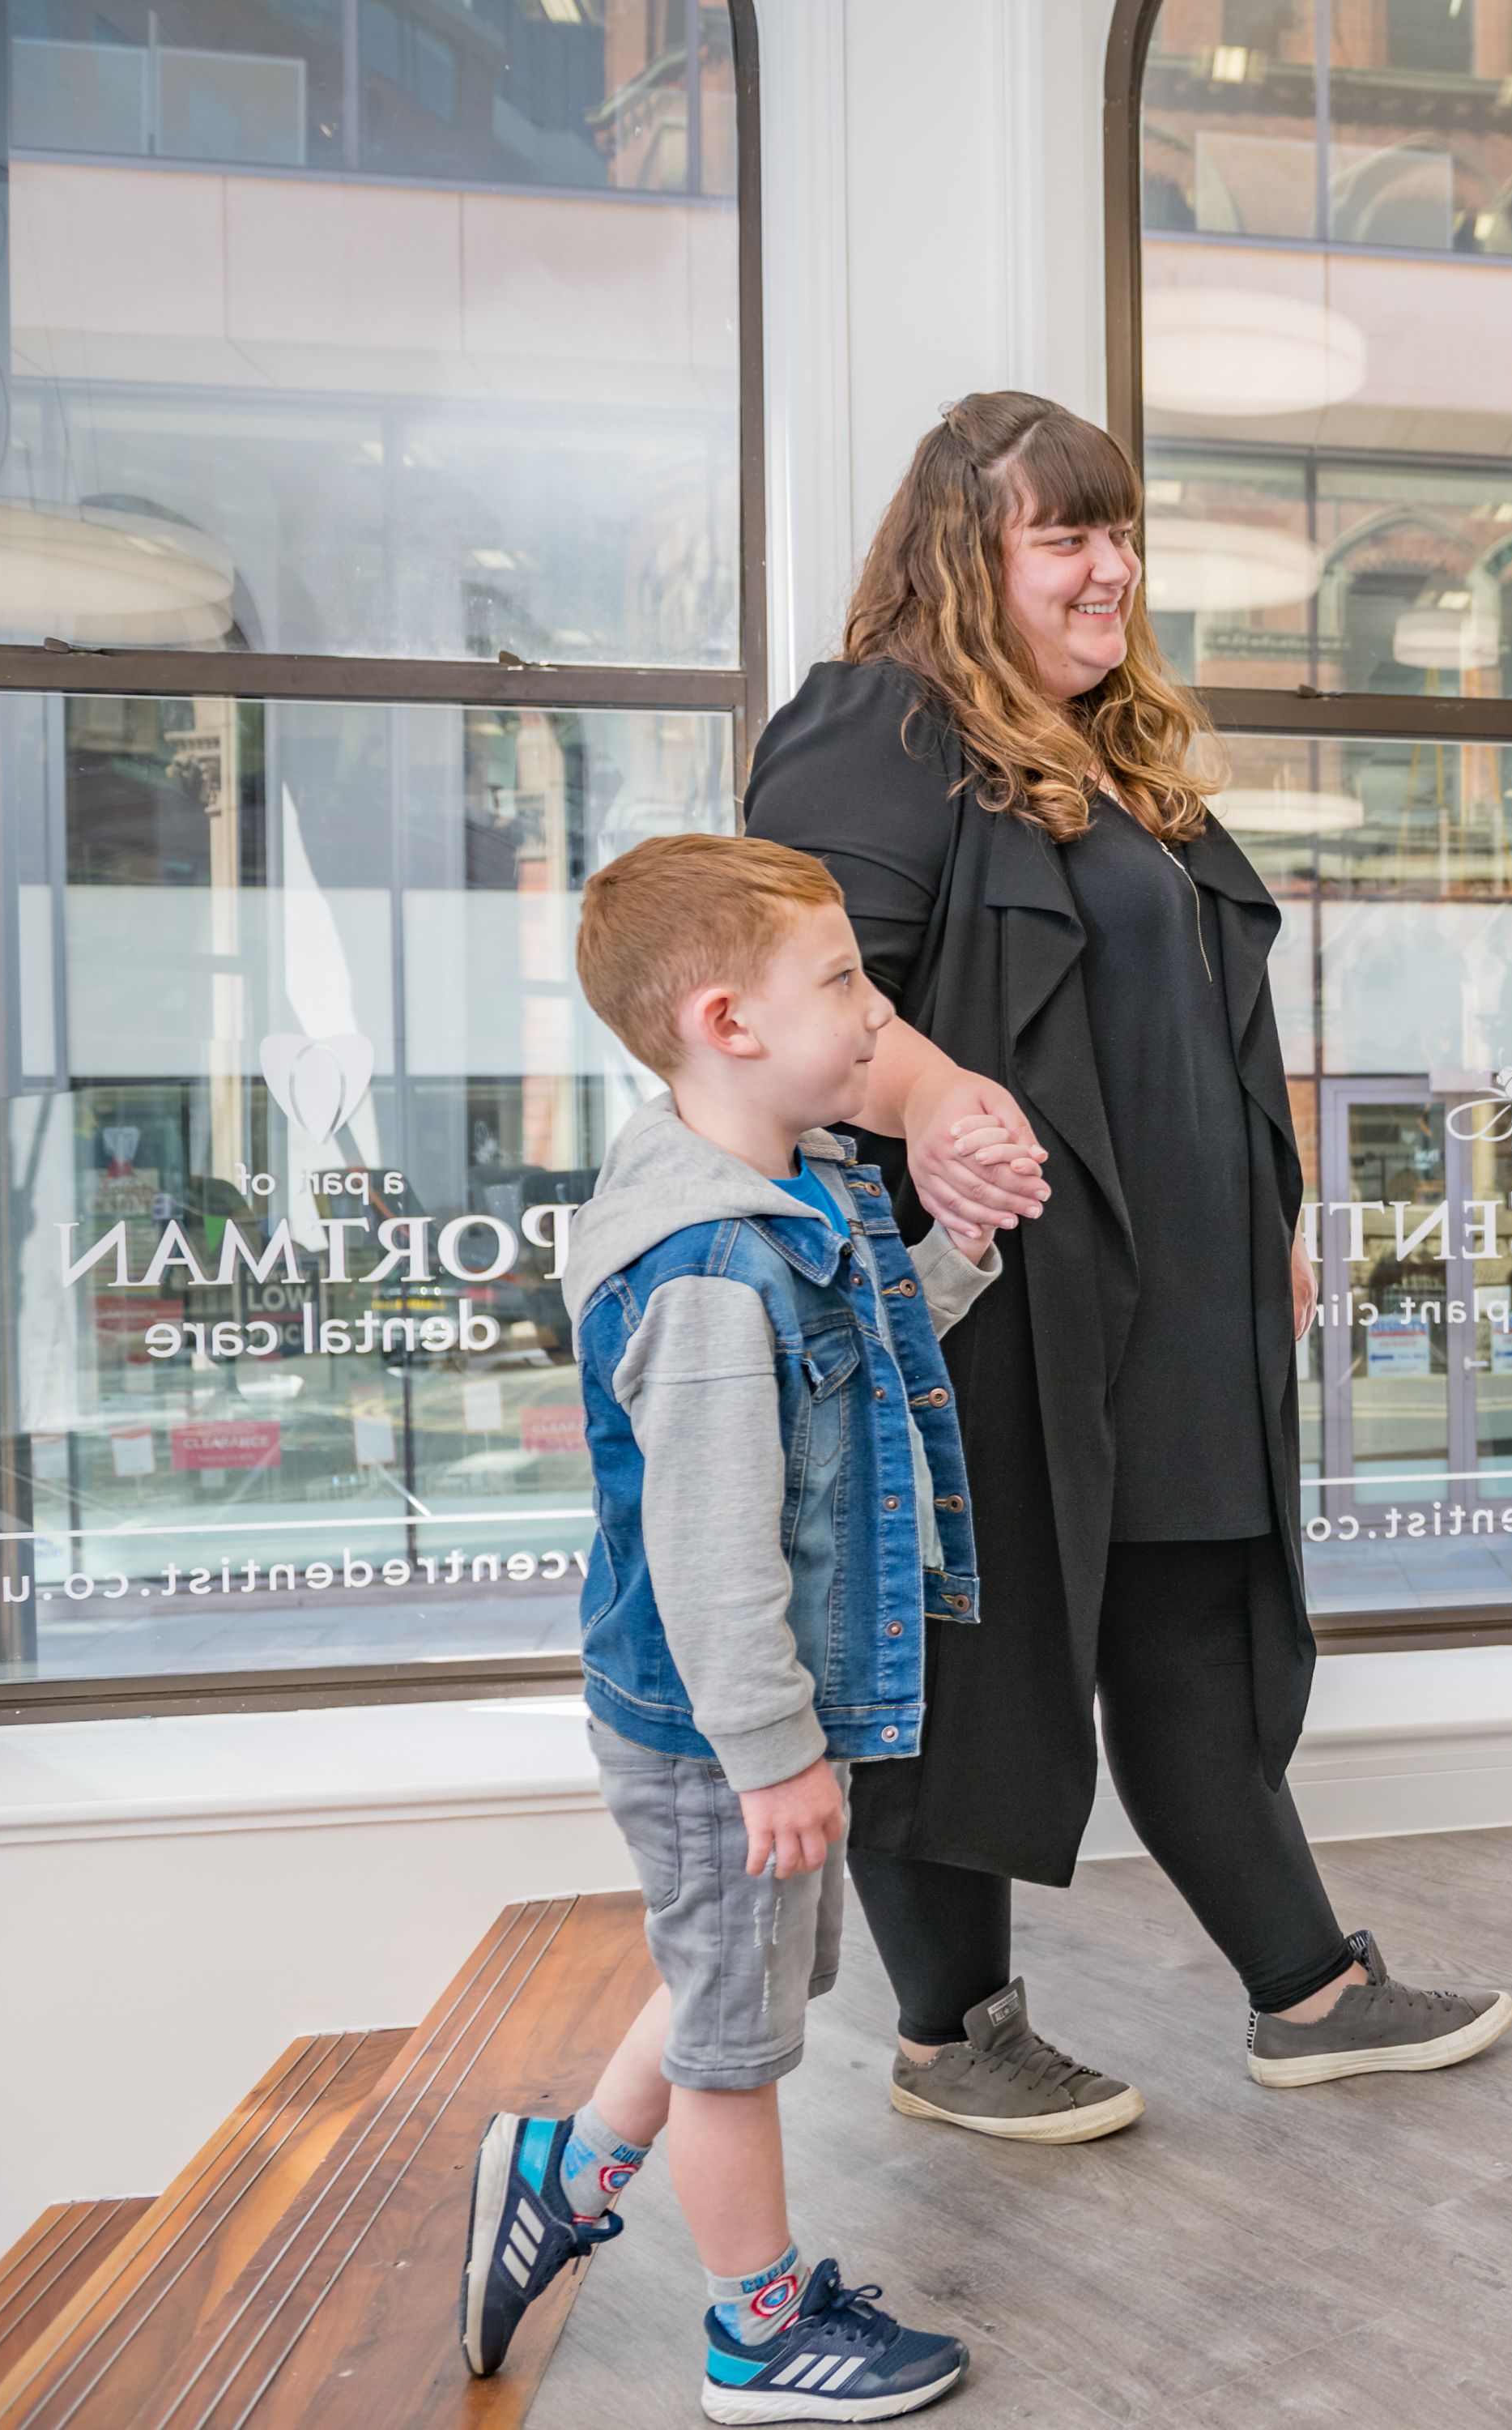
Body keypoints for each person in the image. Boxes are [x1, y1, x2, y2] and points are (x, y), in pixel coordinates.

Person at [746, 391, 1512, 2142]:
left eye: (1119, 532)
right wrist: (931, 1107)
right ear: (967, 554)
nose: (1113, 569)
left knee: (1190, 1618)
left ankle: (1310, 1992)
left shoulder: (1118, 759)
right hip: (988, 1302)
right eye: (1065, 536)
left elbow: (1192, 1033)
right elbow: (803, 1001)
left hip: (1179, 1293)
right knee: (968, 1648)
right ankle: (951, 2033)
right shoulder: (881, 726)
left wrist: (1278, 1216)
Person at [462, 831, 1025, 2419]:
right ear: (729, 1023)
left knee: (723, 1977)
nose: (875, 1011)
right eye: (842, 980)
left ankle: (560, 2178)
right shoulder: (711, 1266)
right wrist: (774, 1757)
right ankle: (755, 2333)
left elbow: (862, 1369)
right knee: (735, 2046)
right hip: (724, 1729)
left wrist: (958, 1253)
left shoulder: (784, 1188)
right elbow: (713, 1555)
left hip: (733, 1727)